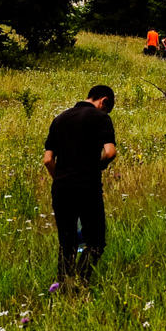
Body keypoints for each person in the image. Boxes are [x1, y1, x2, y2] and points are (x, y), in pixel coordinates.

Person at [43, 85, 117, 290]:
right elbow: (110, 152)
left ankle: (65, 287)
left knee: (66, 243)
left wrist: (61, 178)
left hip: (61, 188)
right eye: (107, 108)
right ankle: (83, 282)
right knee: (96, 242)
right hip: (87, 186)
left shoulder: (59, 119)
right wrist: (96, 167)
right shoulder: (101, 119)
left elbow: (48, 160)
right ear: (104, 101)